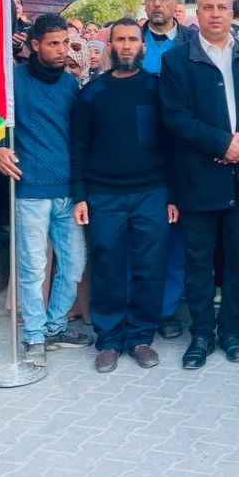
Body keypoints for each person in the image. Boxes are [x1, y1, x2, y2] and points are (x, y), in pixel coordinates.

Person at [160, 0, 239, 368]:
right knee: (199, 260)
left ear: (232, 13)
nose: (215, 14)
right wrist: (221, 143)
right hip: (199, 177)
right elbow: (175, 117)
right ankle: (202, 333)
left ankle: (231, 331)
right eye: (207, 7)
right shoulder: (177, 60)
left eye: (222, 7)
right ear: (197, 14)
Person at [72, 18, 178, 373]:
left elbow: (172, 145)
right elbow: (79, 147)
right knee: (108, 267)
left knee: (150, 267)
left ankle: (141, 337)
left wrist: (173, 195)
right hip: (104, 195)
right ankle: (110, 340)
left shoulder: (158, 89)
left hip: (152, 192)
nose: (128, 45)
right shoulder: (92, 94)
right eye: (121, 39)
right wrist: (81, 195)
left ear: (143, 46)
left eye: (134, 39)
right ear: (110, 45)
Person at [0, 14, 91, 366]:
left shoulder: (70, 85)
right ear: (35, 45)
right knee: (34, 268)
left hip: (67, 189)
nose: (62, 50)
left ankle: (53, 327)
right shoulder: (13, 82)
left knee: (75, 262)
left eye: (65, 43)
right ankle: (34, 336)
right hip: (30, 188)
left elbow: (80, 138)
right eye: (53, 44)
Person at [139, 0, 196, 339]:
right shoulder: (127, 39)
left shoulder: (193, 42)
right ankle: (140, 307)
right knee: (143, 235)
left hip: (184, 148)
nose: (157, 3)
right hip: (138, 151)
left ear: (176, 2)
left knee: (176, 233)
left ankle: (168, 308)